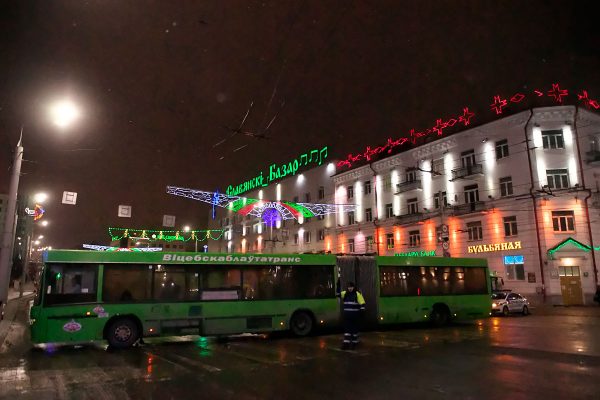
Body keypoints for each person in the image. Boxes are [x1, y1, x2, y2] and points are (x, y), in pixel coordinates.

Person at [339, 281, 366, 350]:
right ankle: (346, 344)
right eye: (349, 287)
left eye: (351, 287)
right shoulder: (345, 293)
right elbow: (337, 294)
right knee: (347, 331)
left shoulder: (357, 294)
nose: (350, 288)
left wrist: (361, 311)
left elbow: (362, 303)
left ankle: (354, 344)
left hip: (355, 316)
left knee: (354, 331)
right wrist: (338, 284)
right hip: (347, 316)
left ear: (354, 287)